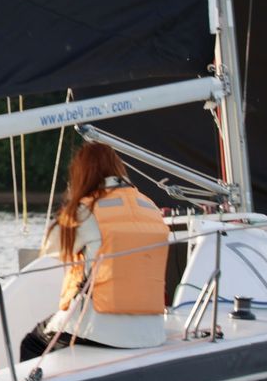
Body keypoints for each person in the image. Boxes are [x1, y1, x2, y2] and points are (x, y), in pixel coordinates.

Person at [20, 141, 172, 359]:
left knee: (31, 344)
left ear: (81, 174)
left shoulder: (85, 210)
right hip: (151, 330)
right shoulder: (150, 207)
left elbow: (50, 249)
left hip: (97, 328)